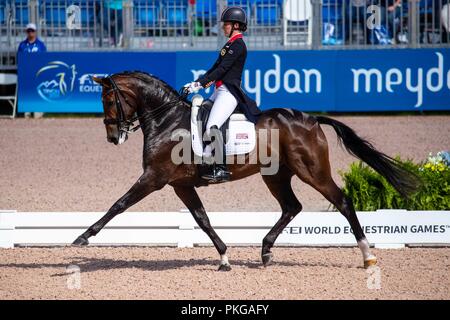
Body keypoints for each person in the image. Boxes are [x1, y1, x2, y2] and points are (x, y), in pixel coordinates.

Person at [184, 6, 261, 182]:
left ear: (235, 25)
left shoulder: (239, 45)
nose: (222, 27)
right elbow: (215, 68)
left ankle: (220, 168)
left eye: (225, 24)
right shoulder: (229, 45)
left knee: (213, 126)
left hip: (228, 93)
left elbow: (223, 69)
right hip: (218, 91)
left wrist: (201, 84)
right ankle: (204, 154)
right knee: (199, 115)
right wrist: (198, 83)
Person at [17, 23, 46, 118]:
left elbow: (44, 58)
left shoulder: (41, 45)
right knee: (27, 91)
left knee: (38, 90)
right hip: (26, 73)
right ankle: (27, 111)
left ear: (35, 32)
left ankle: (38, 111)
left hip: (38, 72)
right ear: (26, 32)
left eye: (32, 31)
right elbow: (19, 58)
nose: (30, 33)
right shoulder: (22, 45)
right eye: (29, 31)